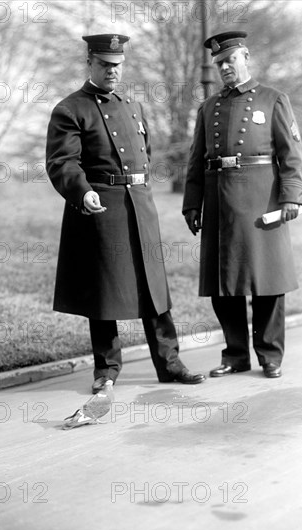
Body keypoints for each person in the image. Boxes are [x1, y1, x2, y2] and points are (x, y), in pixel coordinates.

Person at [46, 34, 205, 393]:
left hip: (140, 204)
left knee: (154, 289)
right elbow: (62, 163)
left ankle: (170, 363)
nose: (112, 71)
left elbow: (144, 154)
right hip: (101, 207)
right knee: (103, 293)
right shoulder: (70, 109)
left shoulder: (133, 106)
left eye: (117, 65)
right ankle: (106, 371)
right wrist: (82, 192)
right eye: (104, 65)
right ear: (90, 63)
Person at [183, 31, 302, 379]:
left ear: (246, 57)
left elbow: (291, 155)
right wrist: (193, 205)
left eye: (230, 61)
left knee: (267, 281)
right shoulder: (208, 108)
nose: (224, 68)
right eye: (219, 64)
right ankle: (235, 355)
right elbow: (196, 160)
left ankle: (270, 355)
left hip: (260, 200)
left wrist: (291, 196)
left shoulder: (273, 99)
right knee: (225, 284)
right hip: (219, 203)